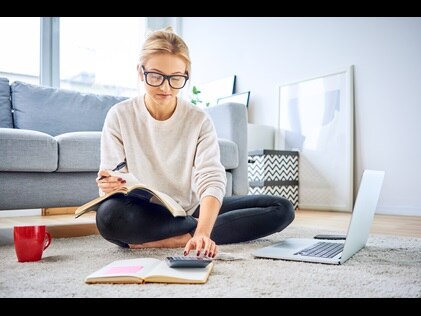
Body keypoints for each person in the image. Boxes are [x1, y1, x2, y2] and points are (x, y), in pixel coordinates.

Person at [95, 27, 295, 258]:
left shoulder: (198, 120)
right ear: (141, 72)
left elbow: (210, 177)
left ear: (186, 75)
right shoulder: (119, 115)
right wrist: (108, 185)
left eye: (176, 78)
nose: (165, 87)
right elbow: (112, 180)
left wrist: (201, 233)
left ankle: (186, 236)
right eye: (156, 76)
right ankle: (199, 229)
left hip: (189, 206)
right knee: (108, 217)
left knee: (282, 208)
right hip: (147, 212)